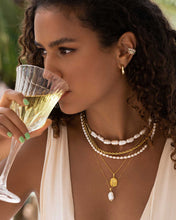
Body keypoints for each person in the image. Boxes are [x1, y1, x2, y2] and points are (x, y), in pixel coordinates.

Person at [0, 0, 176, 219]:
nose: (47, 71)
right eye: (43, 51)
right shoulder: (41, 146)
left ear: (123, 50)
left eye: (65, 50)